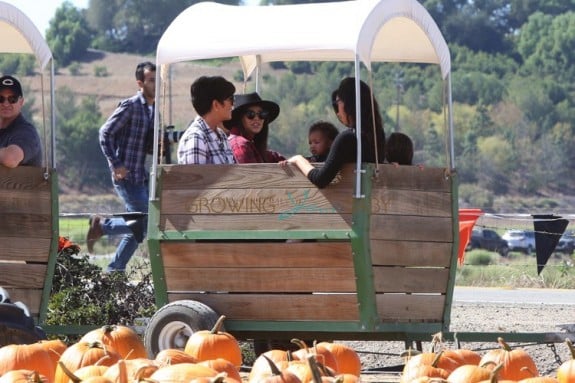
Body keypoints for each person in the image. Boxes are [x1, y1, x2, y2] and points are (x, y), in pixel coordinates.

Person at [86, 61, 156, 274]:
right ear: (140, 83)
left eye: (158, 79)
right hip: (126, 176)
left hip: (141, 176)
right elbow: (104, 133)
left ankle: (114, 270)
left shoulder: (152, 109)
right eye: (152, 80)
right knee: (143, 224)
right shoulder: (131, 105)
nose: (156, 84)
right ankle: (103, 226)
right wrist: (116, 164)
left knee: (135, 231)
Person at [282, 77, 385, 188]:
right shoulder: (377, 137)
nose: (337, 110)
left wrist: (299, 160)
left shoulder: (348, 139)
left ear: (348, 104)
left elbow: (320, 179)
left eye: (338, 102)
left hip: (348, 202)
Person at [177, 76, 236, 164]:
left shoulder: (221, 135)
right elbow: (195, 177)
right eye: (230, 99)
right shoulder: (196, 138)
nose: (233, 104)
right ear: (216, 105)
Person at [225, 92, 285, 163]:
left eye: (262, 114)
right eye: (250, 114)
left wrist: (295, 160)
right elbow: (251, 173)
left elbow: (272, 157)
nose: (256, 118)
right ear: (239, 118)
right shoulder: (241, 145)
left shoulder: (251, 146)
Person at [0, 75, 42, 167]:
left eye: (12, 99)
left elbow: (10, 158)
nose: (6, 104)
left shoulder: (27, 132)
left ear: (21, 102)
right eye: (1, 99)